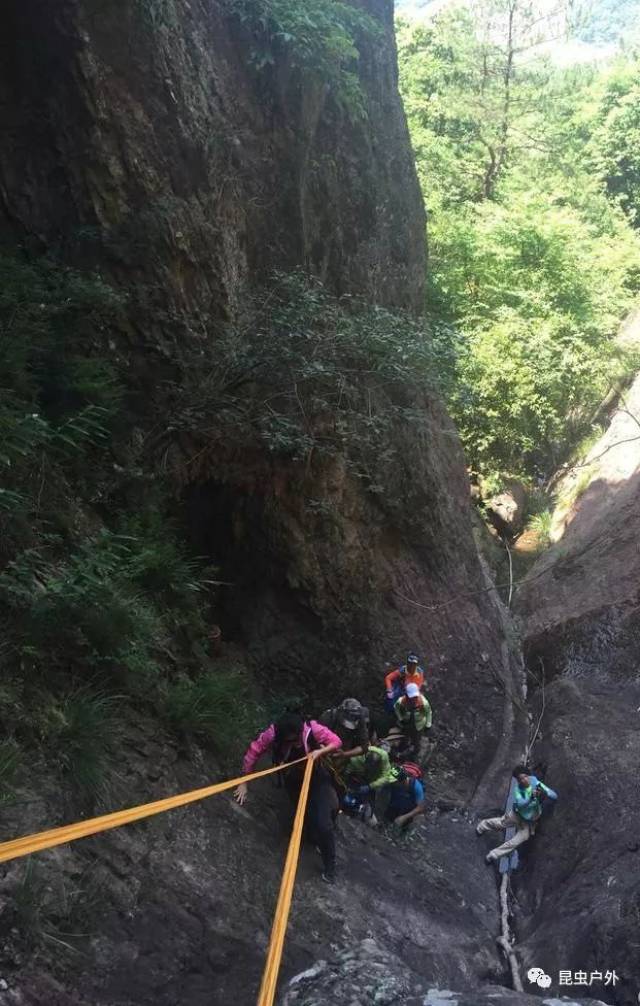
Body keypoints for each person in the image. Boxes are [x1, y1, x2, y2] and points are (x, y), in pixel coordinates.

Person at [234, 712, 342, 883]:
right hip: (292, 778)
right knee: (305, 812)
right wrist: (244, 780)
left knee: (324, 823)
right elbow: (254, 750)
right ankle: (312, 834)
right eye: (292, 741)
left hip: (316, 775)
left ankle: (330, 867)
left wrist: (320, 752)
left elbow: (336, 741)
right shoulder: (272, 734)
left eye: (298, 738)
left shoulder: (312, 729)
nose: (297, 743)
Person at [476, 764, 558, 863]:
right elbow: (521, 805)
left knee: (520, 839)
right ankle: (482, 826)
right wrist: (531, 797)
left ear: (529, 775)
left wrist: (546, 793)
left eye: (525, 776)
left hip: (528, 821)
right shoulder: (519, 790)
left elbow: (553, 795)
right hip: (517, 815)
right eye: (521, 778)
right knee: (501, 824)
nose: (524, 780)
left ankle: (494, 855)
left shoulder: (535, 782)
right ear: (518, 780)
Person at [343, 746, 398, 823]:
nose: (371, 766)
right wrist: (346, 778)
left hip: (372, 782)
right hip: (359, 776)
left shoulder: (384, 758)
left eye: (373, 765)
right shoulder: (358, 758)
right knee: (349, 794)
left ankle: (363, 814)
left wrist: (370, 786)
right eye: (370, 765)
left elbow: (386, 777)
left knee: (368, 801)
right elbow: (349, 768)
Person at [393, 682, 432, 760]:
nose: (413, 699)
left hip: (418, 724)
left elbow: (428, 713)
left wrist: (428, 724)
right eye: (411, 697)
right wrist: (400, 718)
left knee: (416, 739)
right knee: (405, 736)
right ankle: (402, 748)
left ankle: (415, 752)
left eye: (415, 697)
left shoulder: (423, 703)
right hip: (406, 723)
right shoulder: (401, 701)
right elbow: (396, 708)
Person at [383, 767, 426, 831]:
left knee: (403, 826)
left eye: (394, 782)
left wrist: (404, 817)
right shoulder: (393, 784)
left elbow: (420, 807)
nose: (391, 783)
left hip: (407, 809)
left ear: (402, 781)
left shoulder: (416, 787)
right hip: (394, 805)